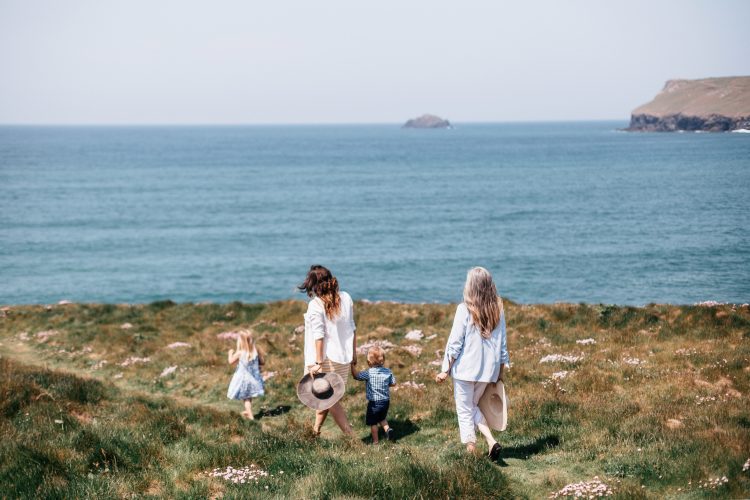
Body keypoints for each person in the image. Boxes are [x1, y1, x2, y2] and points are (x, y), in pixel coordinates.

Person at [435, 267, 509, 460]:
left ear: (471, 286)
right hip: (487, 371)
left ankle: (471, 452)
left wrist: (445, 370)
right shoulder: (498, 309)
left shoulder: (464, 309)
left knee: (465, 410)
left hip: (465, 370)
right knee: (472, 407)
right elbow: (503, 345)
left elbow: (454, 344)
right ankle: (491, 442)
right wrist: (500, 373)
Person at [299, 265, 357, 436]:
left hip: (325, 359)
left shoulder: (316, 305)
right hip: (343, 357)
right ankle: (315, 431)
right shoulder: (346, 298)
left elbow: (319, 336)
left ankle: (351, 436)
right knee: (327, 397)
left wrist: (317, 362)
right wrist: (354, 354)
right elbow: (352, 328)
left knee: (329, 399)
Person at [351, 345, 396, 444]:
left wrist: (352, 366)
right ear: (383, 360)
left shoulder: (369, 373)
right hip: (385, 401)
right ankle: (388, 430)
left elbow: (356, 376)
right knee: (382, 418)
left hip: (374, 403)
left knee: (373, 423)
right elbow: (393, 383)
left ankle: (375, 442)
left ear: (369, 362)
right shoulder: (388, 371)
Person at [227, 329, 265, 419]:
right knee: (248, 397)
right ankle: (247, 411)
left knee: (246, 398)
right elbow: (262, 362)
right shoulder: (255, 352)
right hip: (253, 379)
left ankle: (250, 415)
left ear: (240, 341)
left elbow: (231, 362)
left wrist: (230, 353)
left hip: (243, 379)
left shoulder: (240, 353)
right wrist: (260, 354)